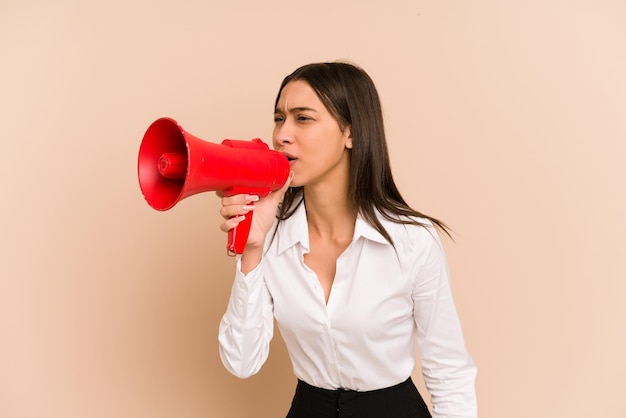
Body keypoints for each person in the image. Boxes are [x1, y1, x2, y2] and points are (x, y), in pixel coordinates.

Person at [216, 62, 477, 418]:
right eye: (279, 119)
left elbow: (450, 372)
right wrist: (252, 250)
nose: (281, 135)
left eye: (302, 118)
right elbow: (241, 362)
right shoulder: (271, 237)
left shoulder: (413, 241)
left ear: (350, 132)